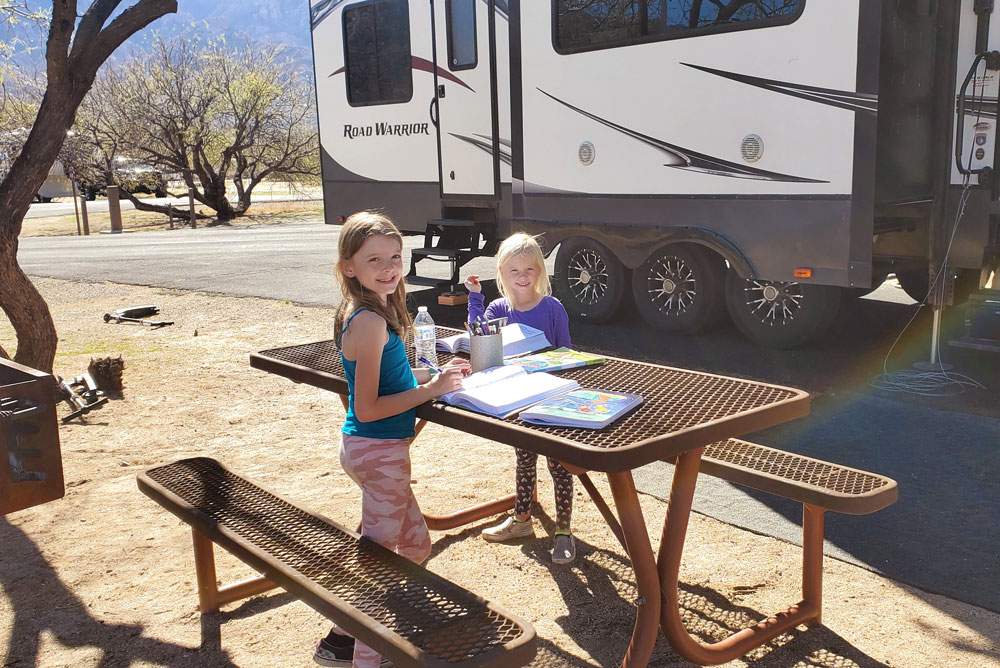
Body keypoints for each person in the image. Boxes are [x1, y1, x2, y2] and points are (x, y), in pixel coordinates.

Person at [314, 211, 469, 668]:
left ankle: (341, 640)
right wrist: (431, 391)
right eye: (374, 259)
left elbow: (388, 378)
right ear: (348, 267)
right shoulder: (369, 322)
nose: (389, 267)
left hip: (373, 452)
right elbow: (366, 407)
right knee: (378, 569)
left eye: (396, 257)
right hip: (378, 451)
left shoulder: (374, 314)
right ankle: (365, 657)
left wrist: (432, 375)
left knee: (416, 545)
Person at [464, 233, 576, 565]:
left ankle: (564, 531)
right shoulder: (499, 308)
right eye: (514, 271)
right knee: (524, 459)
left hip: (551, 396)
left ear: (541, 271)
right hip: (516, 398)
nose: (523, 276)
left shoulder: (553, 308)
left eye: (529, 269)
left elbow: (568, 353)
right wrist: (474, 299)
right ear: (502, 272)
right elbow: (479, 339)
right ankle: (522, 520)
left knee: (559, 466)